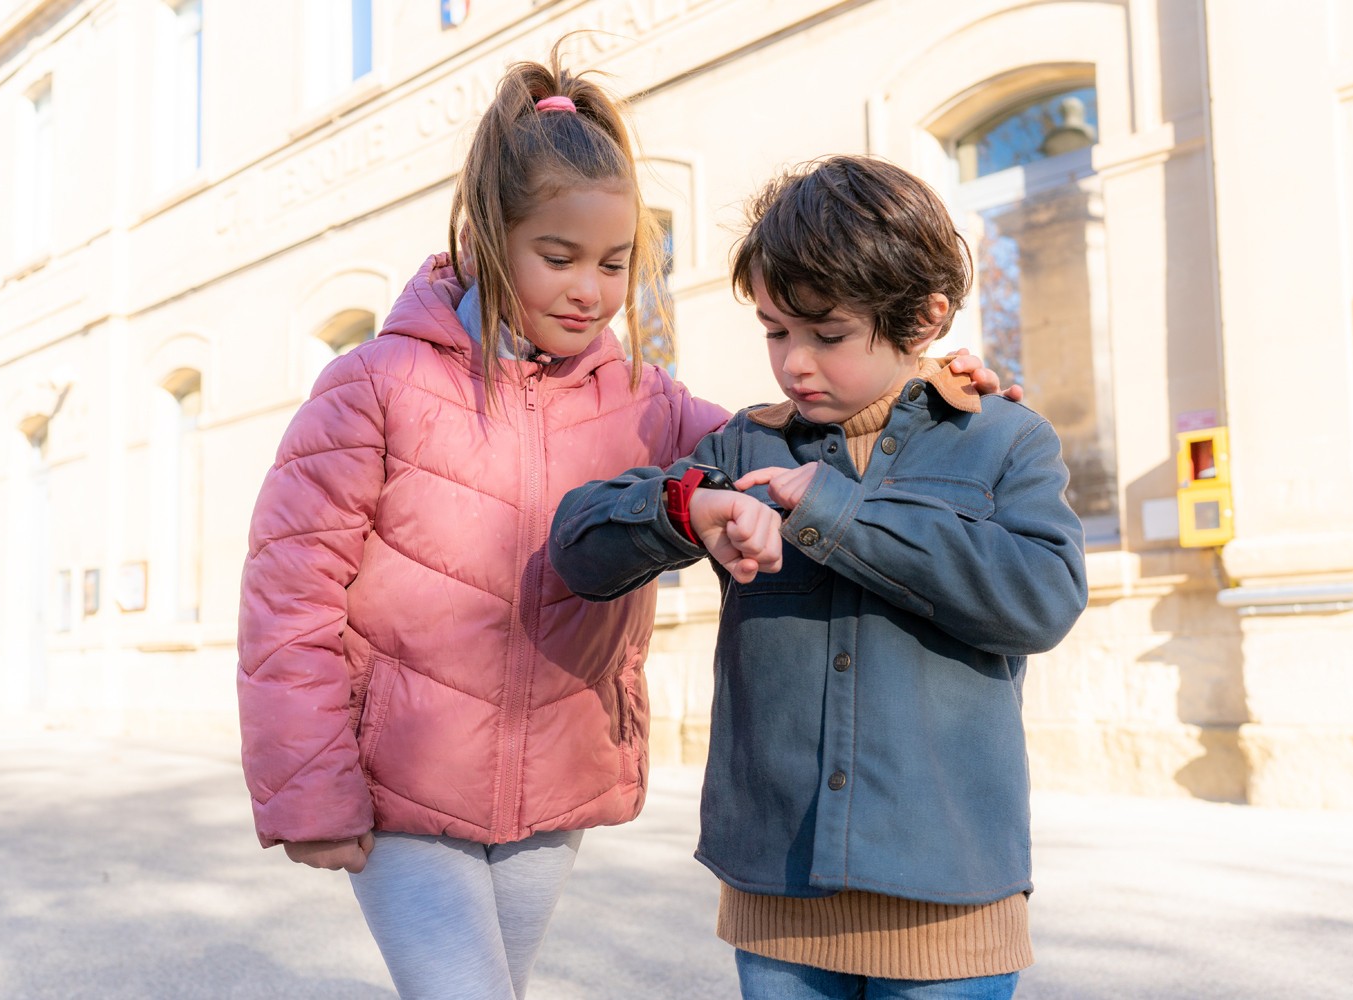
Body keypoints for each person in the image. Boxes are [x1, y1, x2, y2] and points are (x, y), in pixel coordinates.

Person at [236, 43, 1010, 999]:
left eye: (614, 263)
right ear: (485, 235)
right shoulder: (373, 386)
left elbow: (781, 443)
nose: (589, 289)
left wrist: (920, 388)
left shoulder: (645, 399)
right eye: (557, 258)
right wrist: (309, 788)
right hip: (400, 781)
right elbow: (289, 595)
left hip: (551, 785)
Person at [548, 154, 1089, 1000]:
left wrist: (837, 515)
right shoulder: (742, 449)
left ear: (926, 316)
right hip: (777, 895)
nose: (793, 363)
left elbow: (1043, 600)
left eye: (827, 335)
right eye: (774, 330)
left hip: (953, 898)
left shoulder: (1005, 439)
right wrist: (687, 510)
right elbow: (577, 548)